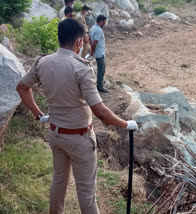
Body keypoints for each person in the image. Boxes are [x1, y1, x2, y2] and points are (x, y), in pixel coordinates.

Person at [16, 18, 138, 214]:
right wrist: (126, 124)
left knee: (58, 181)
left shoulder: (42, 62)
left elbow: (22, 88)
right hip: (79, 138)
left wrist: (39, 115)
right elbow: (99, 111)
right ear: (80, 41)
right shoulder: (81, 68)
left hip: (55, 134)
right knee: (86, 192)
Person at [89, 15, 108, 93]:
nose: (105, 23)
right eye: (104, 21)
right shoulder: (98, 30)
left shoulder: (93, 28)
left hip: (98, 52)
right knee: (101, 70)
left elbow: (90, 39)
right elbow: (95, 43)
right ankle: (99, 87)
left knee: (101, 68)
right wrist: (92, 50)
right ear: (101, 21)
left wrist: (92, 50)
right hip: (99, 53)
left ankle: (99, 83)